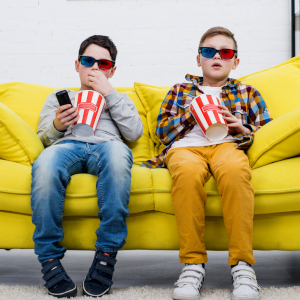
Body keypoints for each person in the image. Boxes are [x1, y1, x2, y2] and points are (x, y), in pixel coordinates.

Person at [142, 27, 272, 300]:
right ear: (199, 58)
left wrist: (243, 128)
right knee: (187, 174)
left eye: (225, 52)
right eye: (209, 51)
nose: (217, 56)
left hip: (227, 145)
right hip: (186, 148)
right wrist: (191, 113)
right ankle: (192, 264)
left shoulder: (247, 91)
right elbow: (162, 134)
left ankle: (242, 265)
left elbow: (268, 132)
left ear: (234, 61)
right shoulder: (180, 90)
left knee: (236, 171)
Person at [31, 35, 143, 298]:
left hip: (107, 145)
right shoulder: (60, 97)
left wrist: (109, 94)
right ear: (77, 65)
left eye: (103, 63)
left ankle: (106, 253)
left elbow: (134, 132)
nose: (94, 68)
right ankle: (49, 259)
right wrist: (58, 125)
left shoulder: (119, 98)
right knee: (45, 164)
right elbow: (43, 139)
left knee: (118, 157)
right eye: (88, 60)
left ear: (112, 70)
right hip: (67, 146)